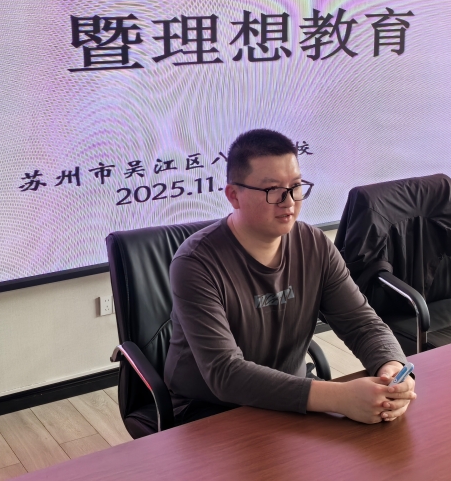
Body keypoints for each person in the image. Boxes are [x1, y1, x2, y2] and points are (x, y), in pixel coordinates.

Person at [164, 129, 416, 424]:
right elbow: (225, 373)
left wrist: (391, 368)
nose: (289, 202)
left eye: (296, 186)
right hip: (210, 410)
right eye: (273, 190)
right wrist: (340, 397)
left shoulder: (315, 245)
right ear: (234, 195)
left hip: (291, 398)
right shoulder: (195, 263)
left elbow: (362, 323)